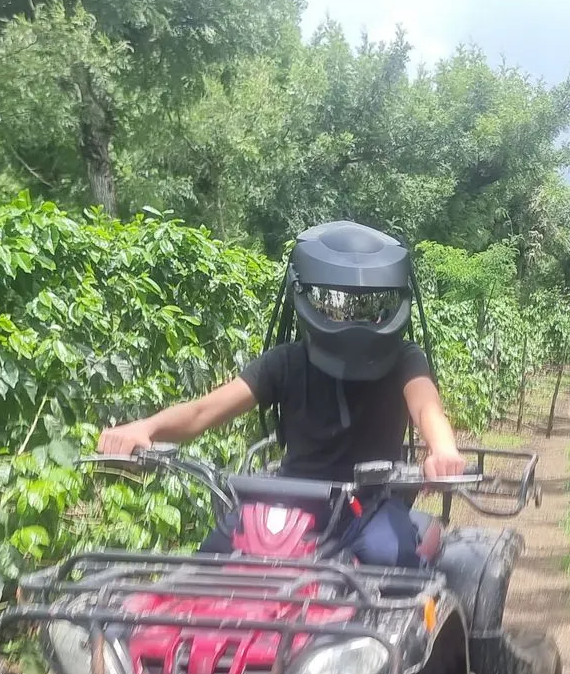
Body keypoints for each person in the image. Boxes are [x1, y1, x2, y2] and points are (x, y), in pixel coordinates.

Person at [97, 220, 467, 566]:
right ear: (306, 296)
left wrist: (443, 450)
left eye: (370, 306)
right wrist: (143, 429)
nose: (351, 318)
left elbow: (427, 409)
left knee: (393, 565)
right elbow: (202, 412)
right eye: (334, 304)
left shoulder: (406, 358)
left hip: (370, 503)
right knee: (206, 567)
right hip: (291, 503)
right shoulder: (285, 362)